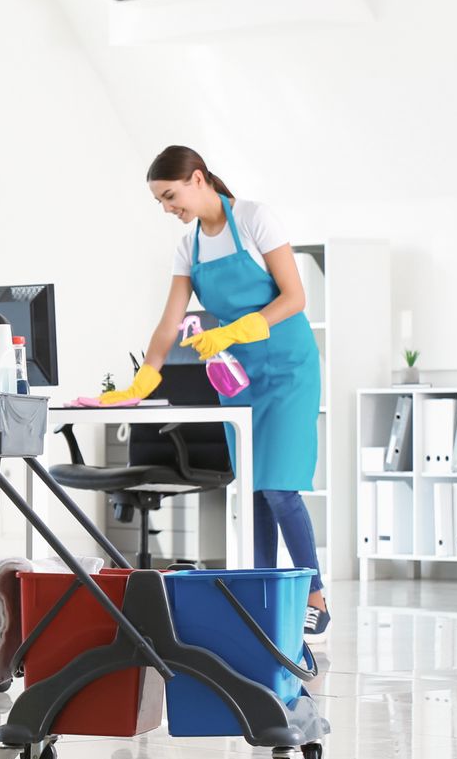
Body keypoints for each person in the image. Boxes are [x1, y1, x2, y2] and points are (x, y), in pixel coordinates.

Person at [103, 146, 329, 641]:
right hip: (237, 375)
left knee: (280, 486)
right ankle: (264, 600)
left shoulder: (253, 220)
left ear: (198, 179)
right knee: (251, 492)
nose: (167, 207)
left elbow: (295, 296)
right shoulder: (190, 247)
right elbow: (169, 321)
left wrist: (235, 330)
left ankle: (314, 596)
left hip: (288, 365)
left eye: (170, 195)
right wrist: (147, 377)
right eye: (160, 201)